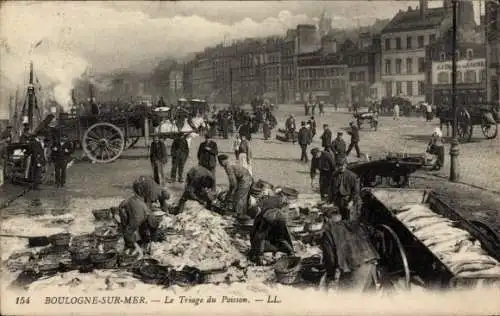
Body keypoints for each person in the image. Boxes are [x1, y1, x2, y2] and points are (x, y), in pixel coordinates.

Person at [321, 210, 379, 292]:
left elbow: (330, 258)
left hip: (355, 267)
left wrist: (330, 277)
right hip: (371, 263)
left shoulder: (328, 232)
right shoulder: (354, 224)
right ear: (340, 217)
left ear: (326, 219)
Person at [114, 180, 160, 258]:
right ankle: (130, 247)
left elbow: (152, 227)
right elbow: (129, 231)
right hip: (125, 212)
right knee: (129, 231)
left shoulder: (143, 207)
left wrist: (152, 242)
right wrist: (136, 247)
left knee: (142, 231)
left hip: (132, 209)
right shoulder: (139, 215)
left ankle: (139, 242)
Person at [248, 194, 294, 264]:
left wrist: (256, 251)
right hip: (278, 217)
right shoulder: (269, 204)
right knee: (280, 238)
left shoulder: (261, 214)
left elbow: (258, 235)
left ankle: (260, 257)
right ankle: (291, 252)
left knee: (262, 237)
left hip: (270, 218)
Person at [218, 154, 253, 221]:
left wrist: (230, 193)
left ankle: (241, 215)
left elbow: (233, 183)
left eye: (220, 162)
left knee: (239, 196)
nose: (220, 164)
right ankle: (240, 212)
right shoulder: (230, 163)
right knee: (240, 196)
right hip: (245, 177)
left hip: (245, 178)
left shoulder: (228, 166)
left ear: (222, 161)